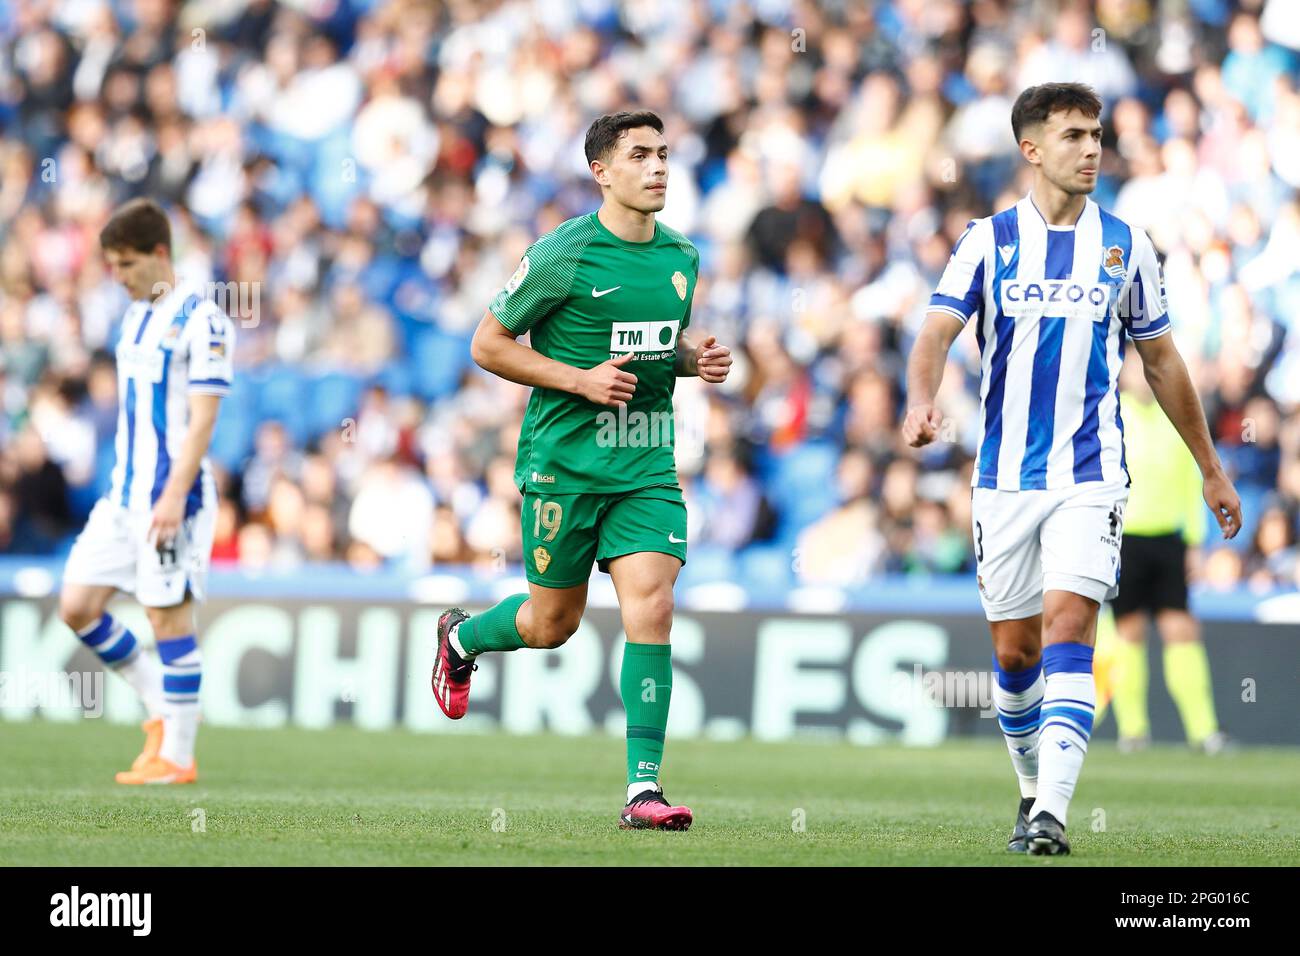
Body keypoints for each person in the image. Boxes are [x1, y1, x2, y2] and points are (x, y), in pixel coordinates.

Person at [903, 83, 1242, 855]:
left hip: (1091, 475)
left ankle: (1053, 814)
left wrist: (1211, 468)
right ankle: (1031, 791)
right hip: (1003, 479)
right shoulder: (986, 241)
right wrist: (921, 400)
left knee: (1069, 629)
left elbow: (1162, 362)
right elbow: (934, 332)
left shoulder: (1126, 243)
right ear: (1031, 149)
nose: (1091, 148)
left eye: (1096, 134)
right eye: (1073, 136)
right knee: (1015, 654)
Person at [430, 111, 732, 831]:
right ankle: (462, 639)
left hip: (646, 462)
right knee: (551, 624)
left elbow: (660, 344)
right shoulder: (564, 252)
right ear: (602, 171)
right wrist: (580, 379)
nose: (658, 167)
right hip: (564, 466)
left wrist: (695, 360)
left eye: (664, 153)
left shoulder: (683, 257)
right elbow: (489, 344)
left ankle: (643, 791)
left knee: (653, 607)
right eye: (640, 155)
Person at [59, 198, 235, 784]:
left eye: (127, 263)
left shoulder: (204, 320)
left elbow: (204, 419)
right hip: (122, 498)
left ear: (160, 254)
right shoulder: (134, 314)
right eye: (111, 265)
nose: (119, 276)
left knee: (168, 622)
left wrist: (174, 492)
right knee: (77, 606)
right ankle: (161, 702)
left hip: (171, 500)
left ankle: (178, 757)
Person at [1109, 355, 1231, 753]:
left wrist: (1194, 543)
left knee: (1180, 629)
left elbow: (1189, 485)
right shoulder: (1110, 415)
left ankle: (1203, 730)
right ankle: (1133, 730)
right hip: (1124, 538)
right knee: (1129, 632)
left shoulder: (1174, 420)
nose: (1142, 377)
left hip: (1168, 540)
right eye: (1134, 368)